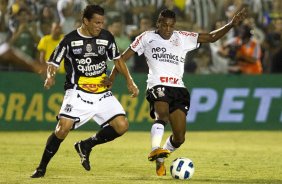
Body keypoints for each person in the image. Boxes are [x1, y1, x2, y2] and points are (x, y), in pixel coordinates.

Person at [108, 8, 246, 176]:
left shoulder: (183, 37)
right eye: (164, 25)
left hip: (178, 89)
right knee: (162, 115)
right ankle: (155, 149)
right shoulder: (146, 37)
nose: (167, 29)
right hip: (157, 85)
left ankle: (160, 158)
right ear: (158, 23)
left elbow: (211, 37)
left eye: (171, 26)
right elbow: (122, 57)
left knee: (179, 138)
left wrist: (231, 24)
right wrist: (113, 77)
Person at [30, 4, 139, 178]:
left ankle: (86, 145)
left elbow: (118, 61)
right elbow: (53, 62)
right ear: (85, 21)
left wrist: (130, 81)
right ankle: (41, 167)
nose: (100, 26)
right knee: (62, 129)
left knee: (122, 125)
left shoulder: (107, 37)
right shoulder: (69, 40)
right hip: (77, 92)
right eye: (96, 22)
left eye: (102, 22)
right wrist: (50, 76)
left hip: (102, 92)